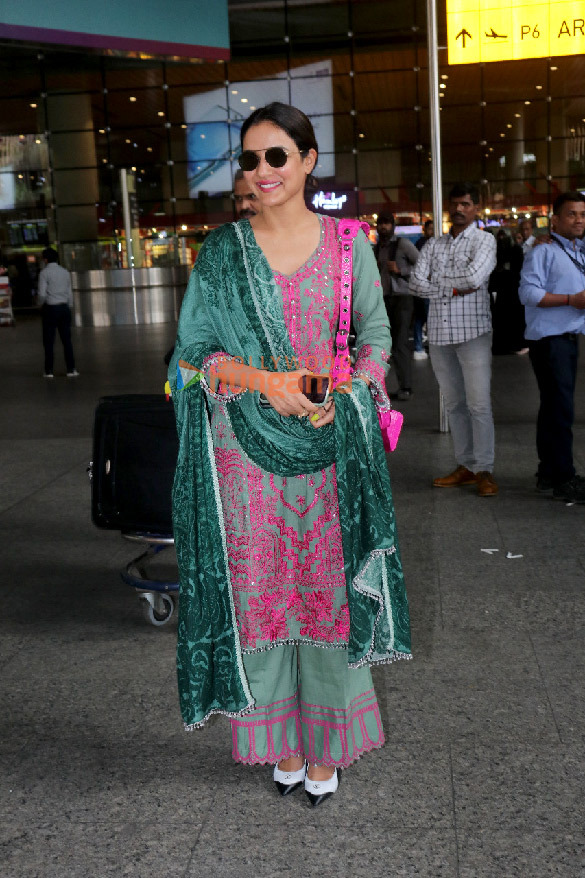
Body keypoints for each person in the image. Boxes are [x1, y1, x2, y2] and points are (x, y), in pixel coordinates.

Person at [168, 102, 411, 807]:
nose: (262, 171)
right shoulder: (220, 254)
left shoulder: (347, 245)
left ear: (307, 159)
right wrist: (264, 382)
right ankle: (285, 740)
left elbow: (375, 338)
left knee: (327, 600)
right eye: (249, 159)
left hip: (333, 448)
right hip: (244, 454)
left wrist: (354, 392)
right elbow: (191, 357)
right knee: (265, 598)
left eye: (276, 156)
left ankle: (327, 746)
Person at [409, 182, 498, 497]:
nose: (459, 209)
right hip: (440, 335)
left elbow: (476, 278)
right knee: (455, 405)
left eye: (466, 204)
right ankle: (465, 465)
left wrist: (436, 281)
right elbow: (416, 284)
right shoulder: (434, 245)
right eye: (455, 204)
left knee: (478, 404)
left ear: (475, 208)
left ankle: (484, 469)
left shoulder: (484, 240)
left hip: (473, 333)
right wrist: (453, 286)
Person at [518, 190, 585, 503]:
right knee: (561, 410)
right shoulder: (542, 252)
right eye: (571, 214)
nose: (578, 220)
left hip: (567, 338)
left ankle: (548, 473)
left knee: (553, 408)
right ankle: (563, 477)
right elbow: (528, 293)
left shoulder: (575, 249)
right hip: (550, 339)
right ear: (554, 220)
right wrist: (573, 300)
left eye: (582, 214)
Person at [374, 213, 419, 399]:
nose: (384, 227)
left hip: (403, 298)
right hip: (384, 299)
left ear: (393, 226)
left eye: (387, 223)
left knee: (400, 342)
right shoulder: (377, 249)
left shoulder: (403, 244)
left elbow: (423, 266)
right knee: (387, 343)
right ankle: (393, 387)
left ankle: (406, 387)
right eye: (381, 223)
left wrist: (402, 270)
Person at [37, 247, 78, 378]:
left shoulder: (44, 273)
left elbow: (42, 294)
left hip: (50, 309)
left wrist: (39, 304)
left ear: (45, 259)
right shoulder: (65, 272)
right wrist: (69, 306)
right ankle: (71, 369)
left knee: (49, 341)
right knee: (67, 340)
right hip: (64, 308)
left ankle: (49, 371)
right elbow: (69, 292)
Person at [413, 219, 434, 359]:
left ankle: (419, 347)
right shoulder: (422, 244)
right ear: (425, 230)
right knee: (427, 317)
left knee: (420, 318)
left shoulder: (422, 244)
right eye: (430, 229)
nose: (432, 231)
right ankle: (425, 347)